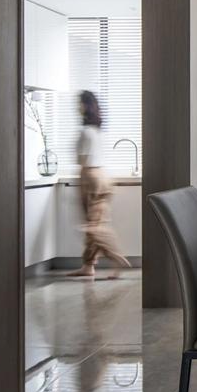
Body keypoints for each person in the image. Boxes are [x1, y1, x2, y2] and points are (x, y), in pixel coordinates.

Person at [67, 91, 131, 279]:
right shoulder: (98, 131)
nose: (77, 106)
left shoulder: (85, 132)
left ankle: (117, 257)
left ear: (85, 106)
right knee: (97, 223)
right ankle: (88, 265)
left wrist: (80, 187)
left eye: (79, 103)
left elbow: (82, 161)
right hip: (104, 177)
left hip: (90, 177)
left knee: (92, 226)